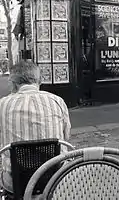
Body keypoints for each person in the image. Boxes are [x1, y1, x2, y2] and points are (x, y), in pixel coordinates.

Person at [0, 61, 71, 193]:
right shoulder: (57, 101)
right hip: (54, 178)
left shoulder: (2, 104)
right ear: (39, 80)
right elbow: (66, 137)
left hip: (15, 181)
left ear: (13, 83)